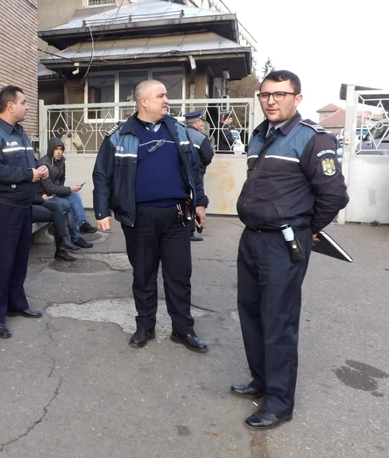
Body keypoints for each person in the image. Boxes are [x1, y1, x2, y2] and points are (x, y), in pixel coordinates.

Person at [231, 70, 349, 430]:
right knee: (251, 313)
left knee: (278, 321)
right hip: (251, 238)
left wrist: (307, 230)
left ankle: (279, 402)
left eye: (280, 94)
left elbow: (334, 195)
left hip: (284, 243)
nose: (271, 100)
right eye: (265, 94)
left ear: (297, 99)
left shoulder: (313, 139)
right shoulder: (258, 136)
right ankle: (262, 380)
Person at [92, 80, 209, 352]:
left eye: (166, 95)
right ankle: (145, 326)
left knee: (179, 275)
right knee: (143, 275)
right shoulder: (119, 136)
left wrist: (200, 203)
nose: (167, 100)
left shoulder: (179, 131)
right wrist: (102, 210)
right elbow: (102, 175)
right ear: (143, 101)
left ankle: (183, 330)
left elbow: (194, 168)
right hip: (139, 218)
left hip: (178, 216)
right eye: (161, 96)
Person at [0, 86, 47, 339]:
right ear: (10, 106)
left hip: (22, 206)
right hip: (1, 209)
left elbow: (30, 163)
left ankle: (16, 304)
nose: (28, 106)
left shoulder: (21, 134)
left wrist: (39, 168)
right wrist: (30, 174)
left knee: (18, 260)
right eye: (24, 102)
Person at [38, 137, 96, 248]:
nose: (59, 152)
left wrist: (65, 191)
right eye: (56, 149)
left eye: (61, 149)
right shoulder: (43, 164)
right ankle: (75, 237)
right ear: (51, 149)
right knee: (68, 203)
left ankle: (82, 225)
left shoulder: (61, 161)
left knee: (75, 195)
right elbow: (49, 189)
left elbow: (62, 179)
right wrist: (68, 189)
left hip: (55, 192)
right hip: (45, 196)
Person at [184, 110, 214, 242]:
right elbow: (208, 156)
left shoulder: (179, 134)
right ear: (196, 122)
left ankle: (183, 227)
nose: (202, 125)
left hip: (181, 173)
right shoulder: (200, 138)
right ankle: (191, 229)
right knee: (194, 199)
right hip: (196, 173)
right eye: (201, 122)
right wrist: (201, 166)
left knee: (183, 199)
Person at [32, 194, 78, 261]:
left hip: (36, 200)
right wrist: (40, 198)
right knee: (57, 215)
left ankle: (62, 245)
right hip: (24, 205)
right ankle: (62, 247)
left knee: (57, 206)